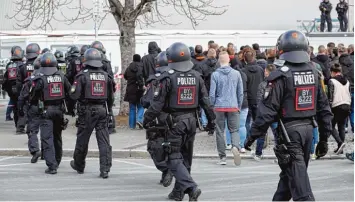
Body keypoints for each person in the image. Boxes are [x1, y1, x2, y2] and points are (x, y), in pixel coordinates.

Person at [244, 30, 333, 201]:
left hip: (289, 134)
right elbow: (324, 109)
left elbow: (266, 113)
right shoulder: (314, 73)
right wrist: (323, 138)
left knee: (301, 190)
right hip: (308, 131)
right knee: (288, 180)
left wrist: (250, 138)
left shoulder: (280, 76)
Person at [143, 42, 215, 201]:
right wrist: (212, 121)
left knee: (172, 157)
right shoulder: (196, 76)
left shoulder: (167, 78)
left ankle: (191, 187)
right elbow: (206, 102)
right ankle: (177, 193)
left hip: (174, 123)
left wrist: (146, 119)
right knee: (186, 158)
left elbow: (157, 104)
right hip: (191, 122)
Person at [69, 48, 115, 179]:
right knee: (104, 140)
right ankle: (105, 169)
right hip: (102, 110)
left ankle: (79, 164)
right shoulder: (107, 76)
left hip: (86, 111)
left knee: (83, 139)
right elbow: (111, 97)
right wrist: (109, 111)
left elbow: (74, 95)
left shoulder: (82, 75)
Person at [31, 52, 72, 174]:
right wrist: (70, 109)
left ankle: (52, 165)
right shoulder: (61, 75)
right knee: (57, 137)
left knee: (47, 138)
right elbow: (70, 92)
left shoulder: (40, 76)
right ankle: (57, 161)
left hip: (46, 110)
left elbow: (33, 95)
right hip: (59, 110)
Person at [141, 51, 173, 187]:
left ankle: (166, 169)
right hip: (174, 119)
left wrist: (146, 119)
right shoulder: (175, 76)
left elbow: (146, 101)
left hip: (158, 119)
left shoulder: (155, 80)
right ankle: (167, 171)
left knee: (154, 146)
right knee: (171, 147)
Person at [210, 51, 243, 166]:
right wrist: (239, 106)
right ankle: (235, 146)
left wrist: (212, 105)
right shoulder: (236, 74)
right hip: (233, 105)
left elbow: (212, 94)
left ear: (219, 61)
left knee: (219, 131)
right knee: (234, 130)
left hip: (219, 106)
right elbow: (240, 92)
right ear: (229, 60)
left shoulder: (215, 75)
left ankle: (222, 157)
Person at [18, 56, 42, 163]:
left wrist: (20, 109)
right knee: (47, 132)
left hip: (33, 108)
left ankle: (35, 150)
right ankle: (47, 153)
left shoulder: (29, 80)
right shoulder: (47, 78)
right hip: (47, 108)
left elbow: (22, 97)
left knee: (32, 131)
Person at [253, 64, 277, 161]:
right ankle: (279, 155)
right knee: (277, 135)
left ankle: (258, 154)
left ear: (267, 72)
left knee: (261, 134)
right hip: (275, 113)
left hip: (264, 113)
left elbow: (259, 100)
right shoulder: (279, 84)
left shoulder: (262, 84)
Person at [91, 41, 115, 134]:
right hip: (104, 85)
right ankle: (110, 125)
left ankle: (108, 124)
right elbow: (110, 75)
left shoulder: (91, 60)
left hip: (95, 85)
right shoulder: (106, 61)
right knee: (108, 106)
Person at [328, 63, 350, 154]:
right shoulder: (347, 81)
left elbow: (330, 96)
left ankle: (340, 143)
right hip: (347, 104)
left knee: (330, 126)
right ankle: (340, 148)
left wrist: (328, 108)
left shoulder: (332, 81)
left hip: (337, 105)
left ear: (332, 72)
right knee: (341, 126)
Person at [242, 47, 264, 138]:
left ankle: (248, 138)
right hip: (259, 98)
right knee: (257, 120)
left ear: (245, 59)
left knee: (247, 121)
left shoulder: (243, 71)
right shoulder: (261, 69)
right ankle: (258, 138)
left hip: (248, 99)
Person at [2, 46, 25, 132]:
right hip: (21, 91)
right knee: (22, 108)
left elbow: (5, 80)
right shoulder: (23, 66)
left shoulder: (9, 66)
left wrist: (7, 90)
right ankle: (20, 127)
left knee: (15, 109)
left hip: (12, 92)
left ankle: (17, 126)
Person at [124, 54, 145, 129]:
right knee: (141, 106)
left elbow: (125, 76)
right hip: (139, 89)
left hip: (130, 89)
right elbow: (142, 76)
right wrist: (142, 85)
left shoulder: (129, 67)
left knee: (132, 108)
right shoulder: (141, 66)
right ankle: (139, 119)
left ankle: (132, 125)